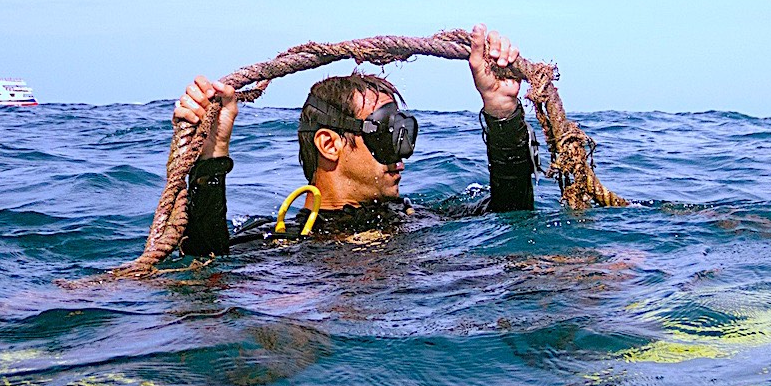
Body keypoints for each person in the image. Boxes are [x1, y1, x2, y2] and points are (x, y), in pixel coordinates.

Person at [173, 24, 539, 254]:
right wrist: (211, 155)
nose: (401, 153)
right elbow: (206, 269)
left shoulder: (418, 217)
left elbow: (513, 215)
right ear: (329, 144)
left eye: (403, 131)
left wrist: (501, 109)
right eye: (384, 132)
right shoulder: (284, 240)